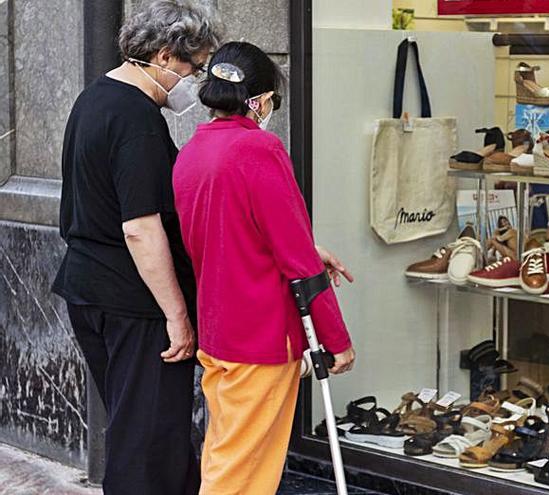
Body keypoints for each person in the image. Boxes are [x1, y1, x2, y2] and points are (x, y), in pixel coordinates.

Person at [52, 2, 221, 493]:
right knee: (149, 441)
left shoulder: (94, 98)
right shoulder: (138, 119)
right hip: (134, 302)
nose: (196, 82)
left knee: (139, 430)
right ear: (166, 56)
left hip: (91, 289)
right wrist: (177, 315)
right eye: (195, 66)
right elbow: (140, 228)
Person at [172, 41, 356, 495]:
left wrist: (309, 247)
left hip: (219, 331)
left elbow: (229, 232)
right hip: (261, 337)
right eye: (271, 98)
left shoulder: (192, 152)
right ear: (257, 100)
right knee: (241, 477)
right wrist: (336, 339)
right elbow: (297, 260)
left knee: (225, 457)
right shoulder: (258, 148)